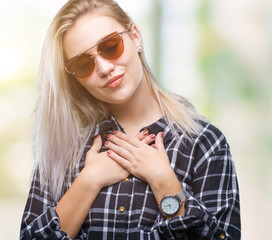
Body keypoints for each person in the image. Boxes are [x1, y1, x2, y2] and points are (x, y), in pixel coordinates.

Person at [20, 0, 241, 239]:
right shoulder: (64, 146)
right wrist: (89, 181)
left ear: (135, 37)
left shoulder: (205, 143)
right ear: (76, 77)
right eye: (84, 64)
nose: (104, 68)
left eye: (110, 46)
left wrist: (165, 183)